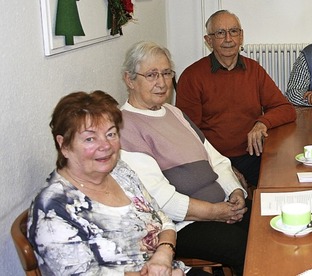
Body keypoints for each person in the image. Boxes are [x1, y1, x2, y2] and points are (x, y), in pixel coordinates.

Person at [118, 41, 250, 275]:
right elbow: (160, 199)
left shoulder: (174, 112)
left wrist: (235, 193)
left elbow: (217, 160)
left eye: (167, 73)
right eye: (151, 75)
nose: (161, 82)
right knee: (248, 247)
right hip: (183, 225)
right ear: (129, 79)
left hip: (221, 208)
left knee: (267, 224)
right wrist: (216, 211)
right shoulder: (125, 125)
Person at [28, 91, 185, 275]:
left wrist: (164, 253)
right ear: (64, 145)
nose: (106, 146)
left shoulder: (120, 171)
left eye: (111, 134)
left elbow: (163, 221)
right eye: (90, 138)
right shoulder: (54, 208)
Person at [176, 10, 296, 187]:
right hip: (213, 159)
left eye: (234, 31)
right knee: (235, 206)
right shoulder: (192, 76)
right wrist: (224, 167)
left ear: (241, 37)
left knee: (285, 182)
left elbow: (286, 109)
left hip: (254, 154)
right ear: (208, 40)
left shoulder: (254, 70)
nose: (228, 39)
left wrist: (262, 123)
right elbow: (189, 135)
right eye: (220, 33)